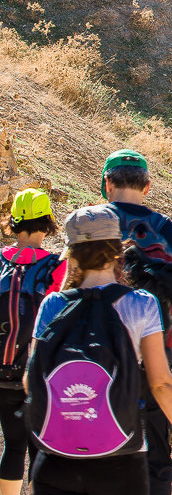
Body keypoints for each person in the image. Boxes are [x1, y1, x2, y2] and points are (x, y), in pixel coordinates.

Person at [30, 204, 172, 495]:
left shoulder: (52, 305)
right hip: (121, 456)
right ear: (117, 249)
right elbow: (160, 383)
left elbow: (30, 380)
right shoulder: (141, 303)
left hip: (55, 457)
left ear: (71, 253)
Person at [102, 149, 172, 495]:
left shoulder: (91, 222)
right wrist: (169, 343)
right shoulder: (169, 232)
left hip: (98, 358)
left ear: (108, 184)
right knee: (155, 458)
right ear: (148, 186)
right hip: (154, 360)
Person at [0, 190, 65, 495]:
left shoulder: (0, 260)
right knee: (41, 450)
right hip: (37, 375)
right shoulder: (55, 266)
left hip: (2, 373)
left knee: (12, 447)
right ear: (46, 223)